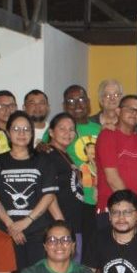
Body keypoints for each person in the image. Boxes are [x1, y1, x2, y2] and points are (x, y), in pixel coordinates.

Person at [0, 110, 60, 270]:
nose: (21, 133)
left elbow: (48, 196)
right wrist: (11, 225)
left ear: (32, 133)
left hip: (37, 230)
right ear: (8, 133)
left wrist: (26, 221)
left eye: (26, 129)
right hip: (6, 230)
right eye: (16, 129)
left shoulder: (43, 161)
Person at [58, 85, 102, 257]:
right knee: (72, 249)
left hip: (96, 200)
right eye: (71, 101)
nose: (77, 104)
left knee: (93, 250)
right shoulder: (60, 129)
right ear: (64, 105)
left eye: (81, 99)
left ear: (89, 103)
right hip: (71, 201)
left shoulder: (99, 130)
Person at [95, 95, 137, 224]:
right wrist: (131, 208)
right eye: (130, 109)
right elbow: (112, 178)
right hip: (112, 210)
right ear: (118, 111)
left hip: (133, 212)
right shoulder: (107, 135)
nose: (135, 114)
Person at [44, 112, 86, 257]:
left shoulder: (65, 155)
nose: (67, 133)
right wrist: (61, 225)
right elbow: (48, 193)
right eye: (62, 128)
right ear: (51, 132)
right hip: (60, 227)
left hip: (74, 224)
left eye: (71, 129)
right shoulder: (48, 155)